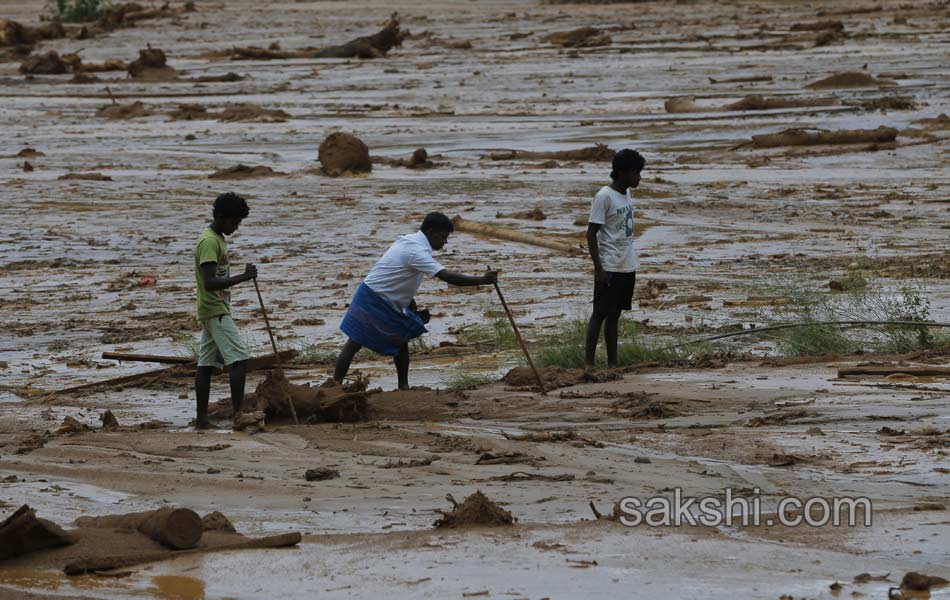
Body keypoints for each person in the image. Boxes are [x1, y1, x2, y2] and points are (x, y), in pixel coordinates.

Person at [334, 212, 497, 390]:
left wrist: (410, 303)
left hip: (382, 297)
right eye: (443, 237)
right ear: (431, 231)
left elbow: (400, 276)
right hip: (374, 298)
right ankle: (335, 385)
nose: (445, 242)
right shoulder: (416, 251)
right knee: (355, 342)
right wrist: (482, 280)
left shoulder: (409, 240)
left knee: (400, 340)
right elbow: (447, 277)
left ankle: (403, 386)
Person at [193, 192, 257, 429]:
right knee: (239, 359)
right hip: (215, 309)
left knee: (206, 365)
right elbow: (209, 282)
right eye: (234, 222)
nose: (236, 227)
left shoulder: (217, 239)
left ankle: (202, 419)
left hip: (213, 308)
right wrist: (243, 277)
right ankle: (239, 415)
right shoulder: (209, 241)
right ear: (220, 216)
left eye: (238, 223)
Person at [585, 149, 646, 367]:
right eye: (635, 173)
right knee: (599, 314)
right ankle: (589, 365)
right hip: (609, 265)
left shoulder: (626, 193)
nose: (639, 177)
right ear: (622, 172)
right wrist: (599, 269)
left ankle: (613, 364)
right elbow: (591, 233)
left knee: (615, 315)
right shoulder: (604, 197)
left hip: (626, 264)